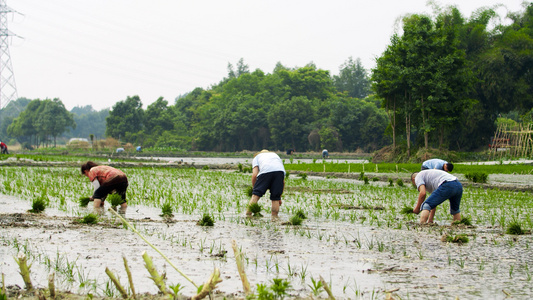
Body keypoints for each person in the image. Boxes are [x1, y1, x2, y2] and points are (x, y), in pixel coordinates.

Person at [246, 150, 286, 217]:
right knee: (275, 198)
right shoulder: (275, 156)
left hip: (265, 172)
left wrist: (254, 189)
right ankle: (274, 218)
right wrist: (279, 197)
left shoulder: (257, 157)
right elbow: (283, 182)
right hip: (279, 173)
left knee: (255, 196)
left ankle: (248, 215)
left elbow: (254, 175)